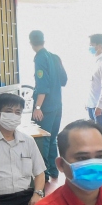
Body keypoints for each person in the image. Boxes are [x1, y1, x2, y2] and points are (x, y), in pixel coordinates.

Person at [30, 29, 67, 180]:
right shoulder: (55, 57)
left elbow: (43, 85)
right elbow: (64, 80)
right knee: (52, 138)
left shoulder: (40, 58)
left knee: (42, 139)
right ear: (43, 41)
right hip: (58, 104)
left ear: (31, 43)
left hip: (45, 107)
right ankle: (54, 170)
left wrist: (38, 107)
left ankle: (43, 174)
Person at [87, 33, 102, 126]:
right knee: (91, 133)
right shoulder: (94, 62)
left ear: (99, 46)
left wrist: (100, 106)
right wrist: (88, 103)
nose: (90, 47)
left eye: (92, 45)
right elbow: (92, 84)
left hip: (99, 106)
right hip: (91, 104)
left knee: (98, 133)